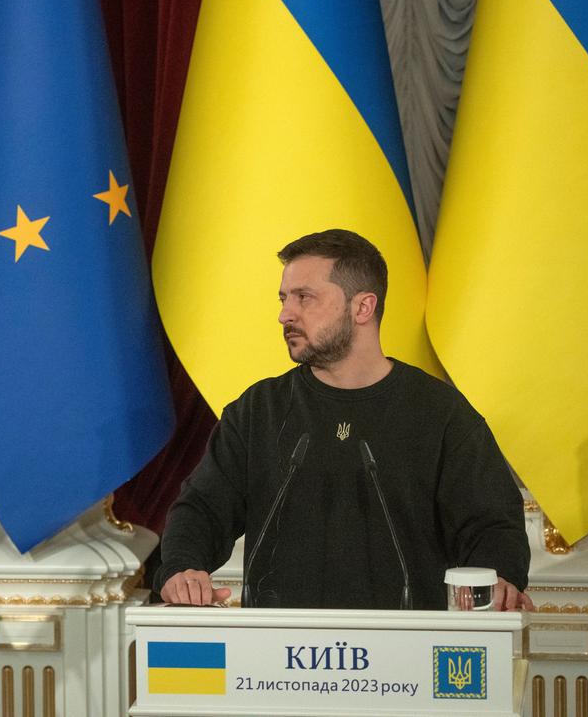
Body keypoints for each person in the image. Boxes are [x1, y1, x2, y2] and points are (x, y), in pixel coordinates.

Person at [156, 229, 532, 611]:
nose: (285, 314)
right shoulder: (259, 411)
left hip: (409, 654)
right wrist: (182, 568)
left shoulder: (440, 413)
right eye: (285, 299)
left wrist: (500, 579)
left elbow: (491, 524)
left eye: (305, 298)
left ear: (363, 308)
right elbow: (202, 509)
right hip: (275, 655)